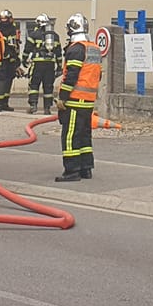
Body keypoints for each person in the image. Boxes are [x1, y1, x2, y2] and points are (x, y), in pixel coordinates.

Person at [55, 13, 101, 182]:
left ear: (71, 29)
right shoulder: (93, 48)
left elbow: (71, 75)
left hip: (75, 100)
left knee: (70, 136)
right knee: (84, 135)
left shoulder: (75, 49)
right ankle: (86, 168)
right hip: (88, 100)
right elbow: (98, 75)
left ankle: (71, 171)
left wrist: (63, 97)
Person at [24, 13, 62, 114]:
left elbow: (27, 49)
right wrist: (59, 66)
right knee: (48, 86)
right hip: (50, 65)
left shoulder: (33, 35)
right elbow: (58, 53)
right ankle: (47, 108)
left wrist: (24, 60)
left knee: (34, 85)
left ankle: (33, 105)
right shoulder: (55, 36)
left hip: (37, 64)